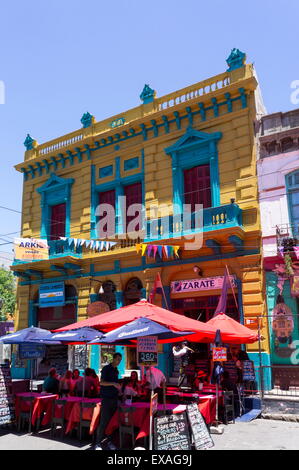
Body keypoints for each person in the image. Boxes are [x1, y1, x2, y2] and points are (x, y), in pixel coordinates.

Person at [94, 352, 122, 450]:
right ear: (113, 359)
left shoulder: (116, 370)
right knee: (104, 421)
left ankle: (109, 441)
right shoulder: (106, 369)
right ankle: (97, 443)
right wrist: (113, 384)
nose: (119, 361)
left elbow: (114, 384)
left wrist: (119, 389)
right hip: (106, 398)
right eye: (118, 359)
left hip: (114, 398)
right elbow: (101, 382)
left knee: (112, 422)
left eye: (120, 360)